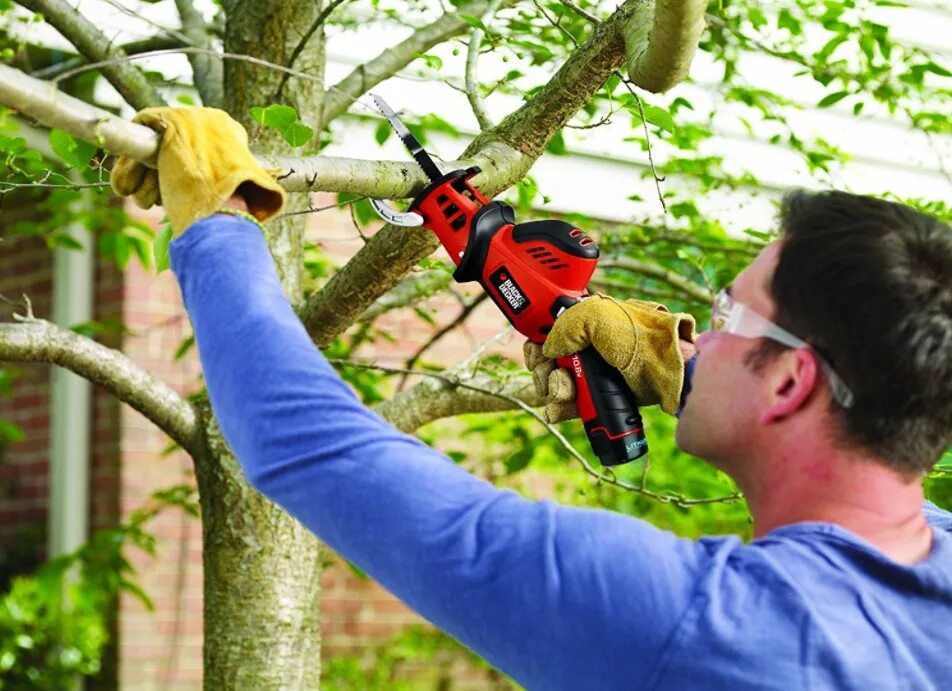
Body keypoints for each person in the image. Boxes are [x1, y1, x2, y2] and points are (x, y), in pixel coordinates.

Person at [112, 108, 952, 690]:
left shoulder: (698, 625)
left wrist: (219, 217)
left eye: (726, 315)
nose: (697, 329)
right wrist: (672, 369)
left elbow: (312, 448)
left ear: (793, 381)